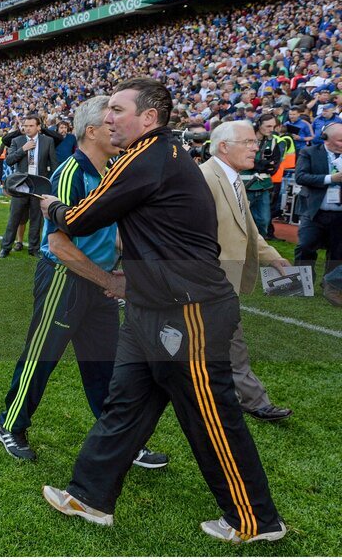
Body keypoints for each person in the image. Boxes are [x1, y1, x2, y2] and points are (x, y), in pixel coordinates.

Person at [39, 78, 285, 544]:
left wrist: (49, 205)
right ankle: (90, 496)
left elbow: (81, 217)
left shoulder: (143, 156)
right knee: (125, 404)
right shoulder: (161, 154)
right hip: (152, 307)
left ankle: (256, 520)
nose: (107, 118)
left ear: (148, 119)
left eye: (116, 110)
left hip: (187, 310)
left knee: (211, 415)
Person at [0, 96, 167, 468]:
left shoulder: (110, 171)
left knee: (105, 365)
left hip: (98, 281)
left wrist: (127, 270)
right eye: (110, 123)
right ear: (91, 131)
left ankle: (119, 439)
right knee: (42, 356)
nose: (117, 128)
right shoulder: (71, 172)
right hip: (64, 277)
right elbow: (58, 243)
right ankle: (10, 425)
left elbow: (114, 233)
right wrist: (109, 278)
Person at [201, 122, 293, 421]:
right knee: (225, 342)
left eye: (255, 141)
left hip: (221, 282)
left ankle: (249, 399)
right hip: (210, 281)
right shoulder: (204, 178)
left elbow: (248, 229)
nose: (256, 147)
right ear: (224, 146)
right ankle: (252, 401)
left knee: (226, 342)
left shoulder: (234, 178)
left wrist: (273, 258)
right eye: (249, 142)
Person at [0, 114, 57, 258]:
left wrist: (50, 184)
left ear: (38, 127)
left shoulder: (48, 141)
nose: (28, 128)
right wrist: (23, 149)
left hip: (39, 185)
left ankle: (34, 248)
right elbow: (10, 160)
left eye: (31, 126)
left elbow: (54, 164)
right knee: (14, 217)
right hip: (21, 185)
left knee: (37, 219)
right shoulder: (17, 141)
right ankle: (5, 247)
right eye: (25, 126)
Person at [294, 122, 342, 285]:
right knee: (306, 246)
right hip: (314, 212)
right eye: (340, 140)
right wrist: (330, 179)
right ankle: (302, 283)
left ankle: (331, 285)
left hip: (340, 214)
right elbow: (300, 177)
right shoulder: (309, 152)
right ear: (326, 139)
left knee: (338, 252)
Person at [240, 114, 281, 238]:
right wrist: (262, 165)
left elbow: (275, 163)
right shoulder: (244, 138)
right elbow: (241, 160)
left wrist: (259, 165)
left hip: (263, 185)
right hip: (244, 185)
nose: (271, 129)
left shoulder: (273, 141)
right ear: (258, 124)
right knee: (240, 220)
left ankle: (258, 248)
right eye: (268, 126)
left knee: (264, 221)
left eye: (273, 126)